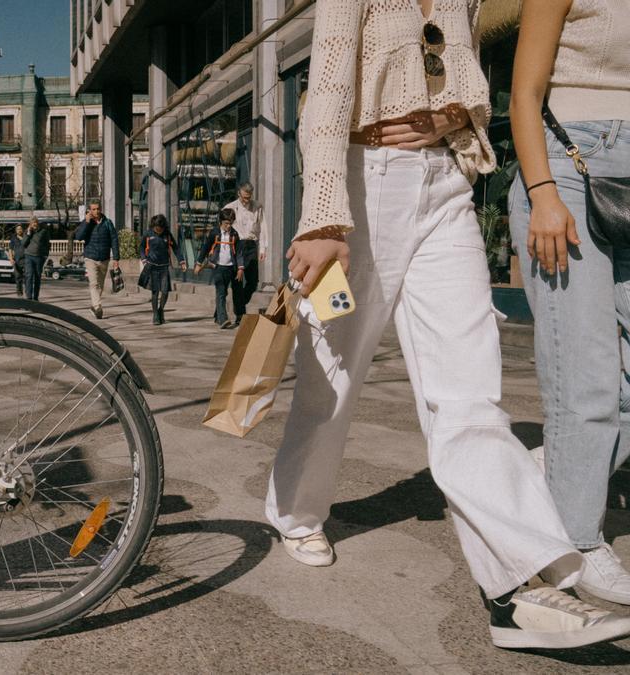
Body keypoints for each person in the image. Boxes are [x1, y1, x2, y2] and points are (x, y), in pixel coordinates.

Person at [268, 0, 630, 649]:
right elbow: (327, 86)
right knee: (332, 380)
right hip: (365, 178)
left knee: (470, 395)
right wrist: (322, 216)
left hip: (445, 186)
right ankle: (296, 511)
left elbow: (467, 72)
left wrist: (461, 116)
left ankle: (521, 590)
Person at [508, 0, 630, 605]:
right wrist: (542, 195)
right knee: (587, 376)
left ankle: (559, 466)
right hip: (568, 169)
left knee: (613, 389)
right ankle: (576, 544)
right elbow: (524, 96)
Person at [222, 183, 268, 322]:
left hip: (251, 244)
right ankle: (240, 314)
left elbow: (263, 227)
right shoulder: (229, 208)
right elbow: (221, 228)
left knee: (253, 281)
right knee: (238, 281)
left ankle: (239, 305)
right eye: (244, 197)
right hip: (237, 244)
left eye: (249, 197)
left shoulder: (258, 207)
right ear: (238, 194)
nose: (246, 200)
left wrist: (263, 248)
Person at [194, 209, 245, 328]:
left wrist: (240, 268)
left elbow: (239, 252)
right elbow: (205, 248)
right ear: (220, 222)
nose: (228, 226)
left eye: (231, 223)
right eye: (226, 223)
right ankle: (223, 319)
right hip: (218, 267)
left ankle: (238, 316)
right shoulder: (214, 233)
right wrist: (198, 263)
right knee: (221, 292)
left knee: (236, 293)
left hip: (232, 267)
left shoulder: (235, 234)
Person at [75, 199, 120, 319]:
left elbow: (114, 240)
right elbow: (79, 237)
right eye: (93, 209)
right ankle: (98, 306)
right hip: (90, 258)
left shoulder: (108, 223)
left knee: (100, 285)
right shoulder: (86, 222)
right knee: (93, 283)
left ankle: (93, 306)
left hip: (104, 258)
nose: (96, 211)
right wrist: (86, 222)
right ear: (89, 210)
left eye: (98, 208)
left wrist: (116, 258)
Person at [140, 215, 186, 325]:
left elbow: (175, 248)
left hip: (164, 267)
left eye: (160, 228)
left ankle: (161, 309)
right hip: (152, 266)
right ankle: (155, 314)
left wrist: (182, 261)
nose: (158, 230)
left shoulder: (167, 234)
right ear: (153, 226)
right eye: (156, 228)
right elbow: (141, 247)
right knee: (155, 292)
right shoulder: (148, 234)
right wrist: (144, 259)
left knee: (165, 291)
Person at [21, 217, 50, 302]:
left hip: (39, 257)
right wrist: (28, 234)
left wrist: (45, 255)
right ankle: (29, 297)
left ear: (37, 223)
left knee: (37, 277)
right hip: (29, 256)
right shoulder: (27, 232)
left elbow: (47, 244)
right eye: (32, 223)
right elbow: (23, 244)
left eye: (35, 222)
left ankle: (35, 297)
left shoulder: (43, 232)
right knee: (29, 275)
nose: (34, 224)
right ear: (30, 224)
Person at [9, 224, 26, 297]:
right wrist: (11, 258)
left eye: (20, 229)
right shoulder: (13, 238)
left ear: (23, 230)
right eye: (18, 229)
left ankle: (27, 293)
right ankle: (19, 294)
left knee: (27, 277)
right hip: (17, 261)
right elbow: (10, 249)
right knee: (18, 277)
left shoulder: (26, 237)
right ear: (16, 231)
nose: (19, 230)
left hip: (26, 260)